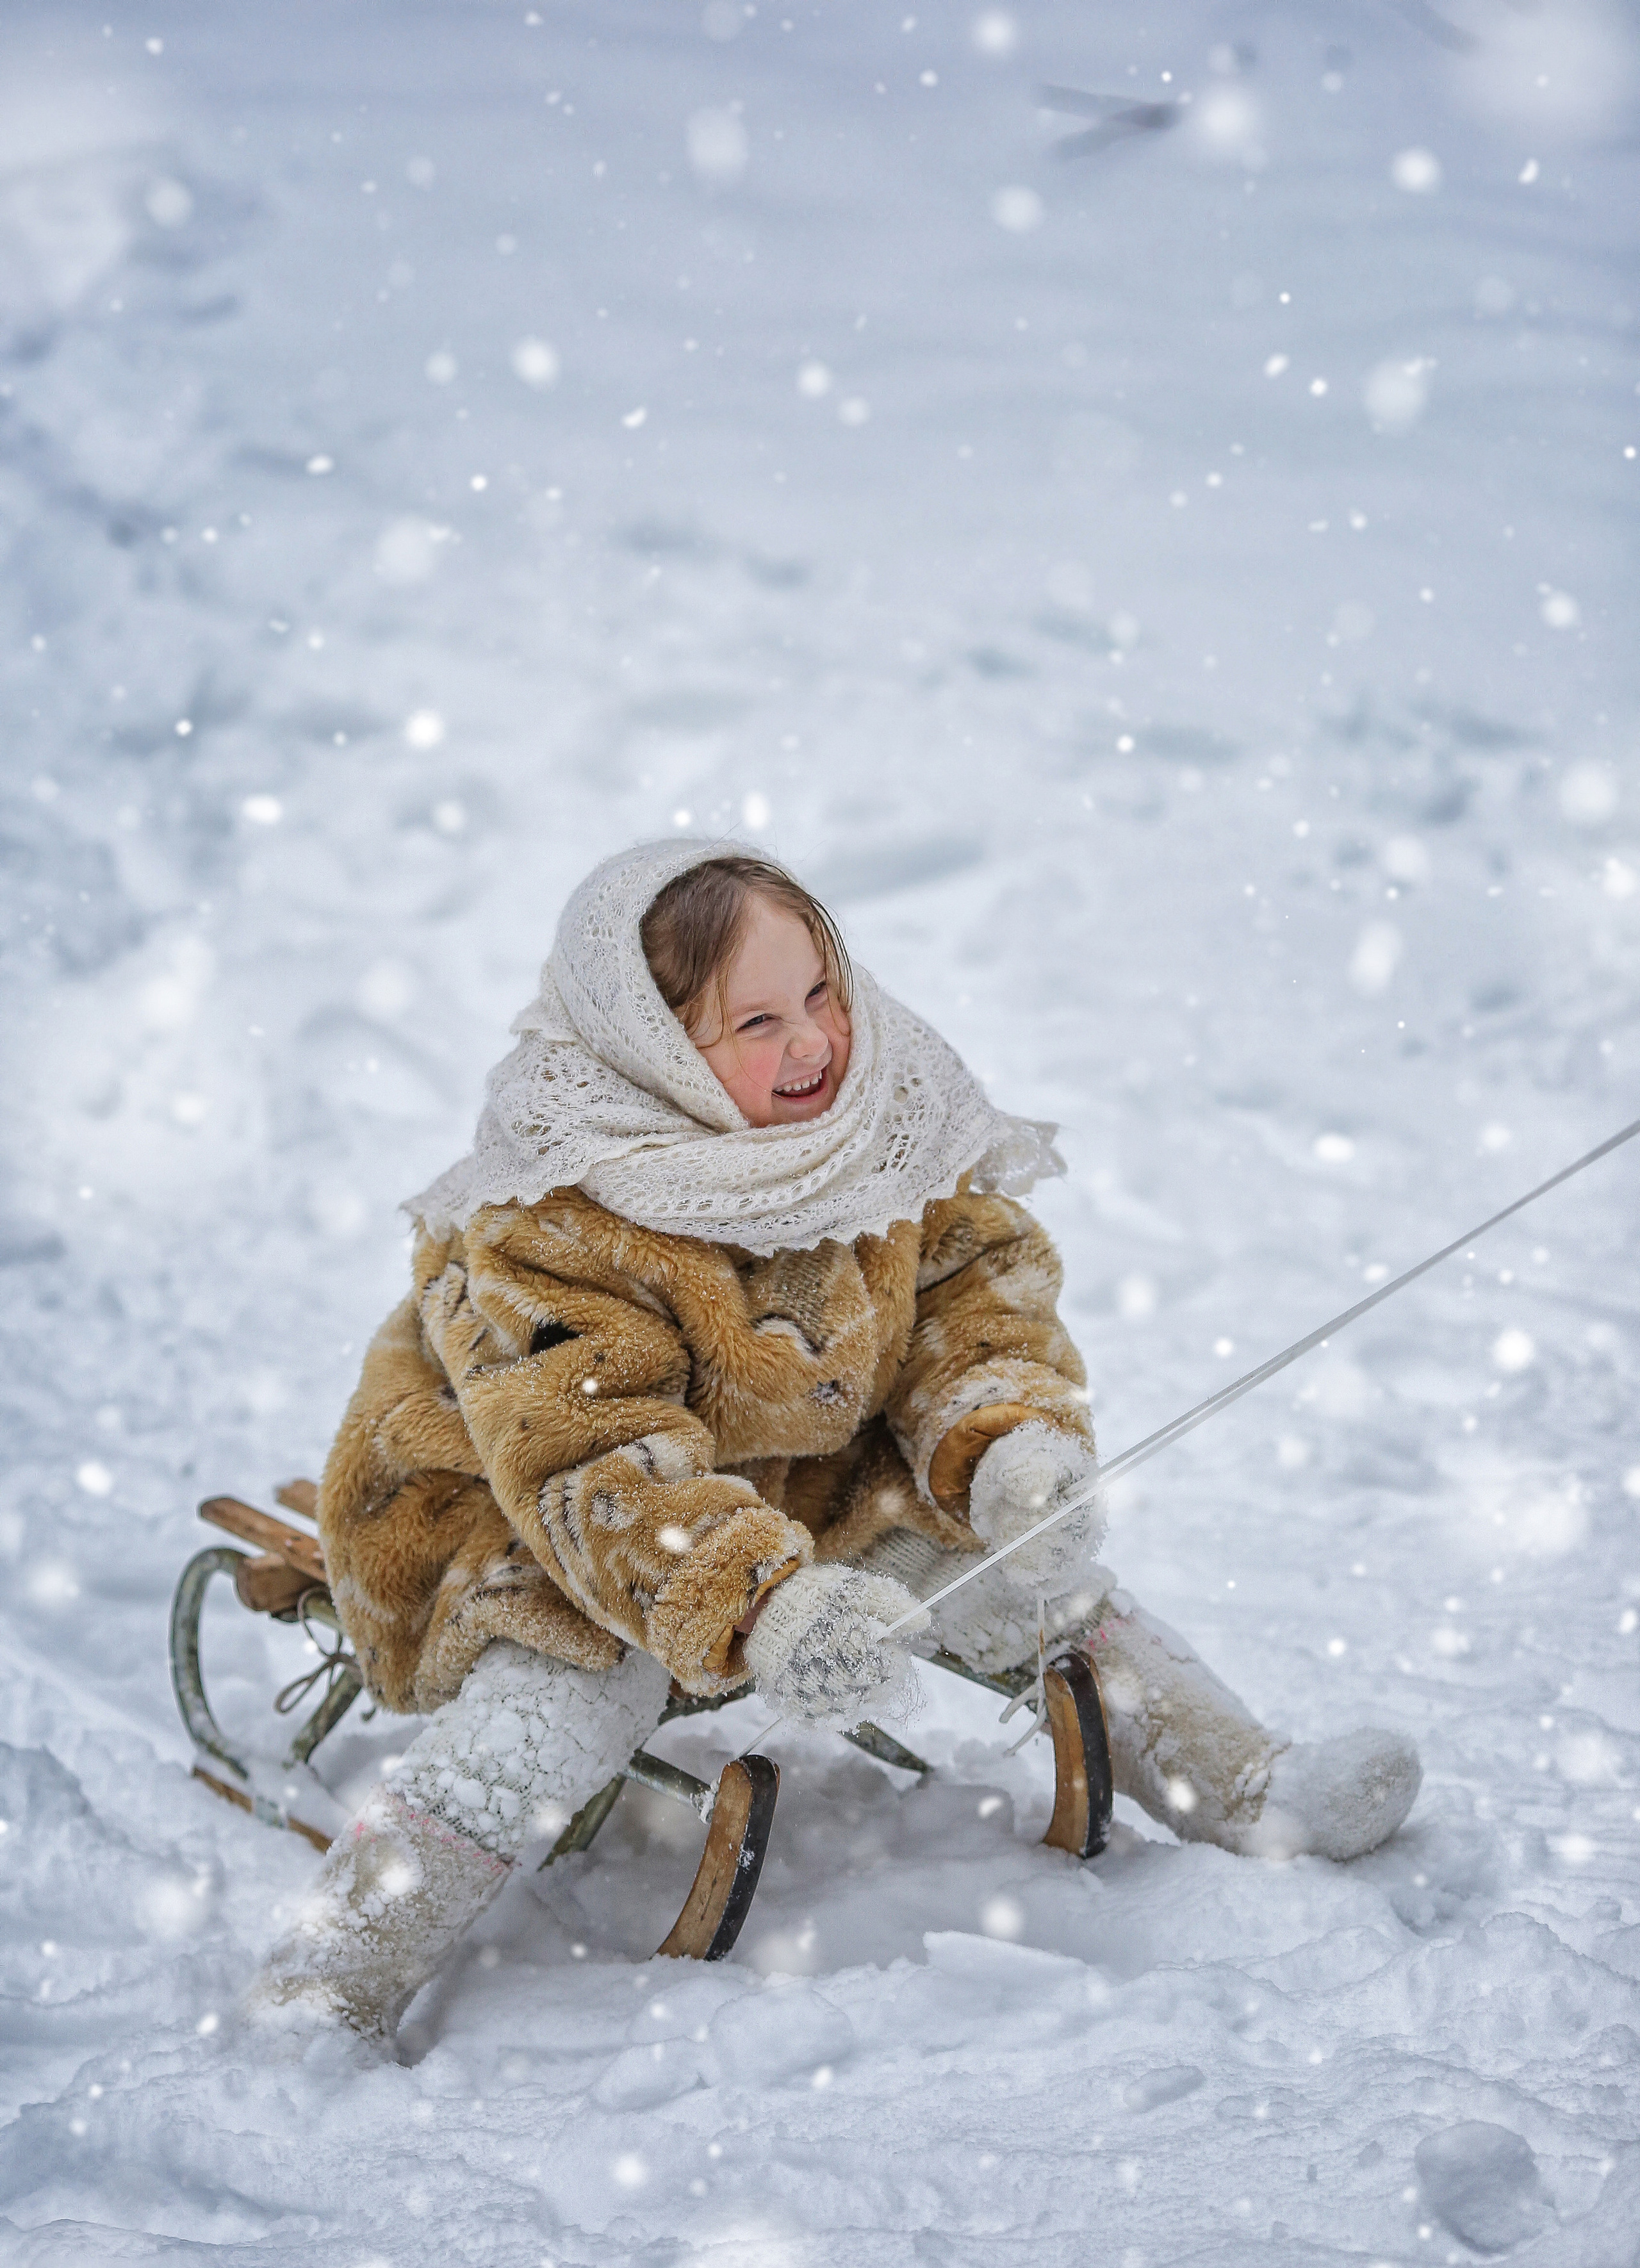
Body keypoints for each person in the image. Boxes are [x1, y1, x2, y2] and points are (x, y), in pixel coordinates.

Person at [247, 840, 1420, 2041]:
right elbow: (592, 1453)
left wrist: (1004, 1447)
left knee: (1013, 1574)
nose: (813, 1043)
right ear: (653, 1049)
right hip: (539, 1517)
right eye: (755, 1023)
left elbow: (971, 1305)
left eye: (822, 994)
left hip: (802, 1481)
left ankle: (1248, 1784)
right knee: (570, 1695)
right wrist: (757, 1600)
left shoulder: (889, 1118)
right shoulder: (554, 1213)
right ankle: (332, 1973)